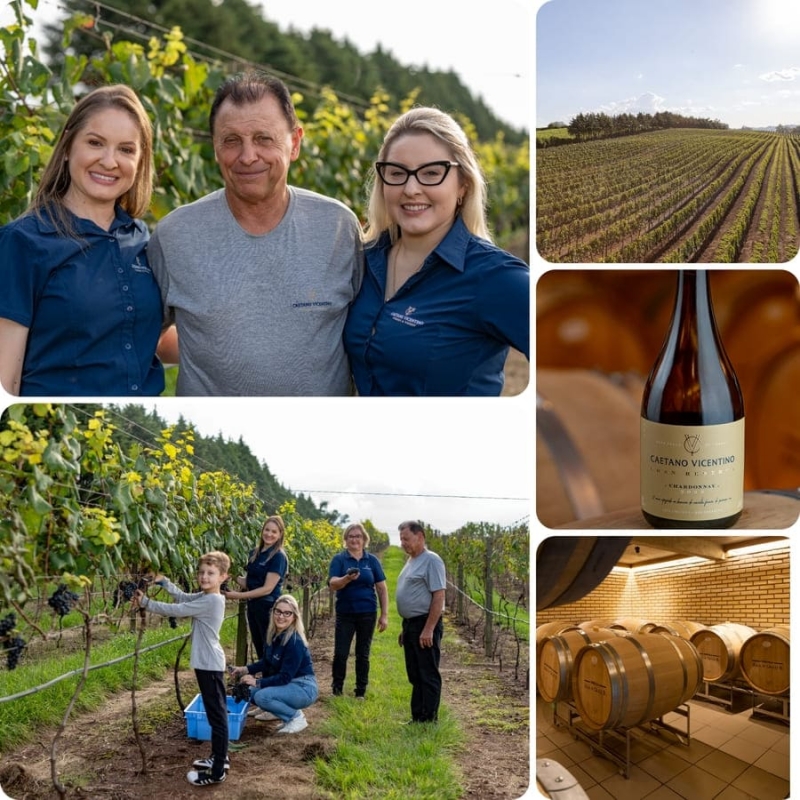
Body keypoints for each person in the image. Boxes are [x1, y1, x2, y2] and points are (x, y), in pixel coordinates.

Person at [147, 69, 363, 396]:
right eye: (232, 141)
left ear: (295, 143)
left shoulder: (338, 228)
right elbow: (145, 337)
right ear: (216, 149)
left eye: (264, 138)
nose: (248, 157)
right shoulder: (174, 236)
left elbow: (364, 335)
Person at [343, 106, 530, 396]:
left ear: (463, 186)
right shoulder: (364, 260)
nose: (411, 188)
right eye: (397, 173)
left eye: (431, 173)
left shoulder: (494, 278)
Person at [0, 85, 164, 397]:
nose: (109, 161)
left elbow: (137, 332)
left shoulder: (141, 239)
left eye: (126, 149)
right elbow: (5, 379)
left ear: (141, 161)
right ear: (66, 149)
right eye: (95, 143)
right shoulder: (22, 242)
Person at [133, 551, 231, 786]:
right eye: (202, 573)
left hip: (209, 665)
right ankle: (220, 758)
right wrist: (165, 582)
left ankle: (217, 771)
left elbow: (177, 610)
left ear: (223, 577)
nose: (204, 577)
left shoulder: (211, 600)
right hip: (207, 663)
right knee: (216, 712)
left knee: (217, 716)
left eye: (211, 573)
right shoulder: (208, 595)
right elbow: (184, 597)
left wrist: (146, 602)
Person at [229, 594, 318, 732]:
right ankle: (286, 717)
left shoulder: (295, 642)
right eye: (278, 611)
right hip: (290, 684)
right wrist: (245, 669)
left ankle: (296, 718)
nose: (281, 616)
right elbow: (267, 662)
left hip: (303, 688)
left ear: (294, 617)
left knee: (262, 696)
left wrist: (257, 682)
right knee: (249, 692)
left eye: (287, 613)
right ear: (273, 612)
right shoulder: (274, 635)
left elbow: (284, 677)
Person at [327, 522, 389, 698]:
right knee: (341, 653)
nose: (355, 539)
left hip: (367, 613)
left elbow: (382, 589)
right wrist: (346, 579)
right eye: (351, 536)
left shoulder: (372, 561)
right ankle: (337, 689)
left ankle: (360, 691)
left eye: (358, 536)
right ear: (346, 540)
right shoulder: (339, 560)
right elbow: (332, 584)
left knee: (363, 654)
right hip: (345, 613)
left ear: (364, 540)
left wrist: (384, 615)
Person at [395, 520, 446, 723]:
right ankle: (418, 717)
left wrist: (429, 629)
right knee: (415, 674)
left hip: (425, 624)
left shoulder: (431, 560)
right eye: (401, 539)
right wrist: (405, 628)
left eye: (406, 539)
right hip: (411, 625)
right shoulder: (411, 560)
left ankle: (429, 719)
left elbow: (439, 596)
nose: (403, 543)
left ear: (420, 536)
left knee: (427, 673)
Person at [223, 515, 288, 660]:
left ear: (280, 535)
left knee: (270, 648)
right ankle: (266, 680)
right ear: (262, 530)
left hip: (269, 608)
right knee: (260, 647)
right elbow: (249, 582)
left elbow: (267, 589)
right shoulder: (255, 553)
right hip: (253, 607)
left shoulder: (278, 557)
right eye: (267, 530)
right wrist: (231, 574)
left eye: (274, 532)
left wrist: (238, 596)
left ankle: (273, 681)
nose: (269, 534)